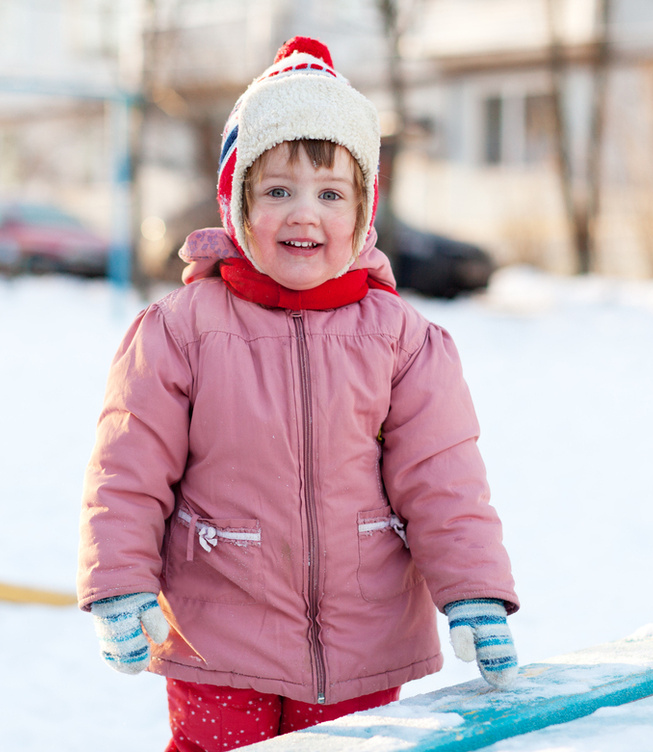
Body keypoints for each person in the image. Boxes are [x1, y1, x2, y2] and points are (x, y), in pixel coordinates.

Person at [78, 36, 520, 751]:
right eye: (277, 190)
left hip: (361, 639)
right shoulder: (179, 332)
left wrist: (474, 594)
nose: (303, 214)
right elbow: (127, 472)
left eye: (330, 193)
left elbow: (443, 477)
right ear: (236, 204)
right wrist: (120, 583)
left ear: (364, 210)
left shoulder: (402, 340)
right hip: (218, 632)